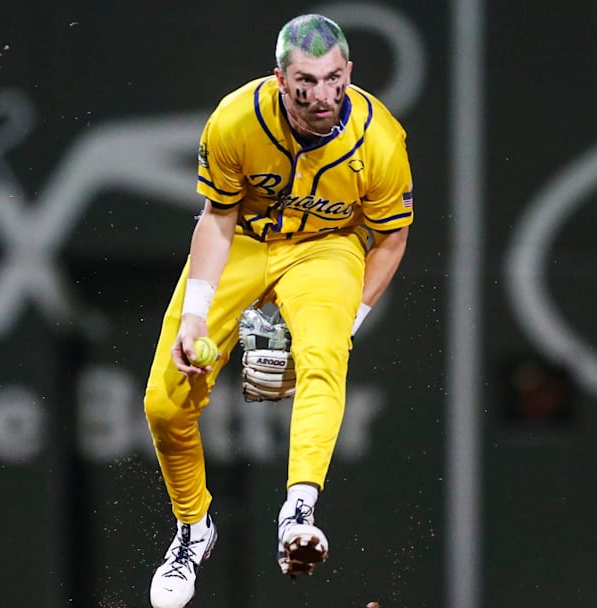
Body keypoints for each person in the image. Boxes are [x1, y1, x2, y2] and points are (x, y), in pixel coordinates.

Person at [143, 13, 414, 608]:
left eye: (333, 78)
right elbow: (218, 216)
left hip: (325, 247)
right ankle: (193, 530)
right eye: (306, 82)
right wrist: (195, 315)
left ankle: (299, 512)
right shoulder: (236, 120)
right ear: (280, 79)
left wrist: (346, 325)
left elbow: (391, 238)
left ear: (350, 73)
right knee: (164, 403)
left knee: (324, 357)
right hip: (243, 240)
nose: (323, 95)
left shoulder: (379, 140)